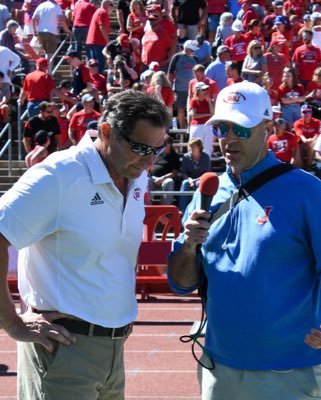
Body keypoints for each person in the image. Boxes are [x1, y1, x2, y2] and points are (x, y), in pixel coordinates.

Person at [167, 81, 321, 400]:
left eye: (240, 129)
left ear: (267, 127)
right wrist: (189, 247)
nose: (228, 139)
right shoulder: (206, 192)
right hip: (220, 367)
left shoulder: (306, 191)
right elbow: (181, 283)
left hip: (289, 371)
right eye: (222, 129)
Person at [0, 90, 170, 399]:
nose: (150, 160)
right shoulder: (59, 174)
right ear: (107, 132)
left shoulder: (135, 175)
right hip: (62, 349)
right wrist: (12, 323)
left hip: (113, 351)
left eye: (158, 149)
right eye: (141, 147)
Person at [178, 137, 211, 212]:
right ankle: (182, 210)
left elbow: (207, 173)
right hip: (189, 179)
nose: (191, 148)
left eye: (193, 146)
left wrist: (195, 180)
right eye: (190, 146)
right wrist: (190, 180)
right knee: (184, 183)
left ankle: (199, 209)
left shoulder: (206, 157)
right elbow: (183, 172)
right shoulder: (186, 157)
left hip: (201, 179)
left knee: (199, 184)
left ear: (199, 147)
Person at [149, 134, 181, 205]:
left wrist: (162, 178)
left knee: (169, 182)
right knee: (146, 180)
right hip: (153, 178)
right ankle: (146, 206)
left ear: (169, 145)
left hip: (165, 179)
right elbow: (150, 167)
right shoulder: (156, 154)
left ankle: (166, 207)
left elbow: (174, 173)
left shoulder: (174, 156)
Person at [188, 81, 215, 156]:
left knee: (208, 148)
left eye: (206, 89)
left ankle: (207, 165)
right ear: (198, 91)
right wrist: (207, 114)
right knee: (194, 147)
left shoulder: (208, 101)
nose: (205, 91)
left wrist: (209, 101)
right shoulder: (193, 101)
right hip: (197, 127)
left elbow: (212, 113)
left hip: (208, 126)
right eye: (203, 90)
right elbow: (194, 115)